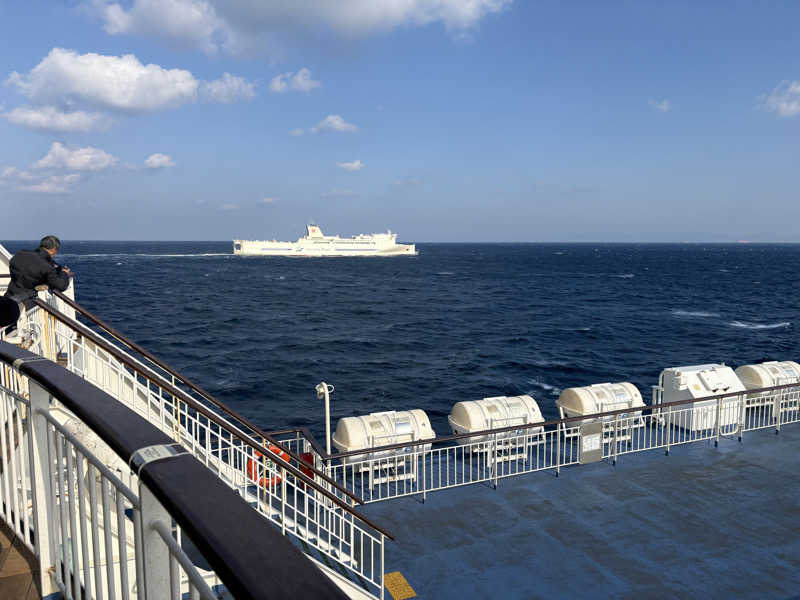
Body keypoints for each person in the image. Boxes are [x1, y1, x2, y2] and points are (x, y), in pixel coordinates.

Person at [4, 235, 73, 309]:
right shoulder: (47, 267)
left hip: (8, 297)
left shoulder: (20, 254)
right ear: (54, 249)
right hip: (26, 304)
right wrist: (64, 273)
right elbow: (61, 286)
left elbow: (28, 269)